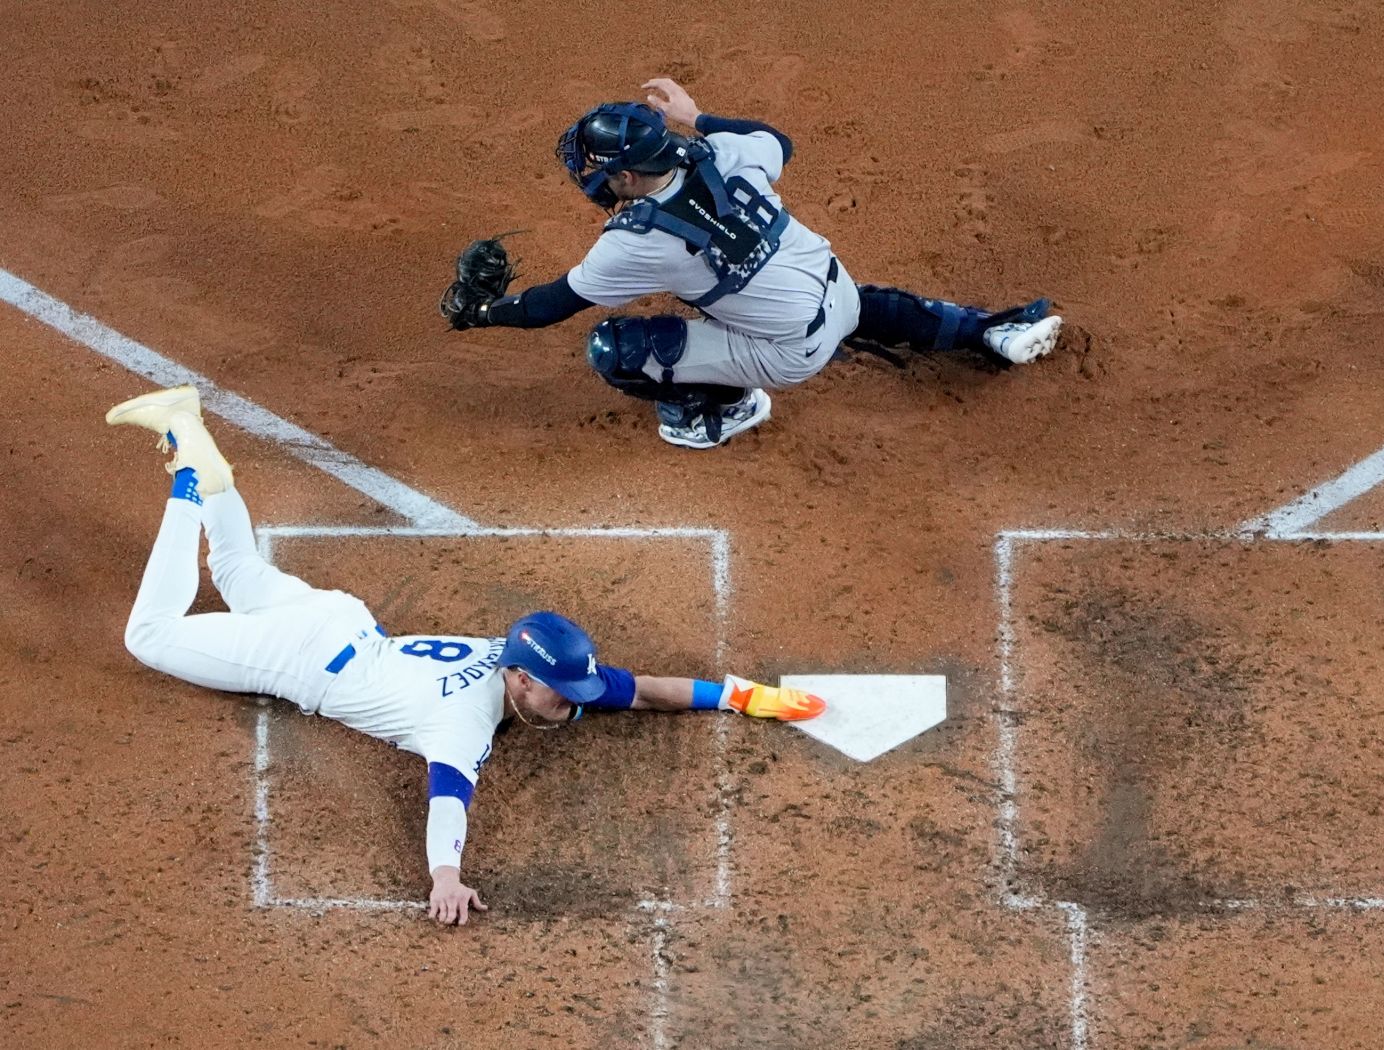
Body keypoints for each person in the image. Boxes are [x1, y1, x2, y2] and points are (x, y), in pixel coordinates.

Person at [105, 384, 827, 925]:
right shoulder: (465, 722)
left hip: (335, 623)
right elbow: (448, 801)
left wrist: (745, 696)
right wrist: (444, 878)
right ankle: (190, 473)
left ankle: (189, 422)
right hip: (299, 653)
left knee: (233, 571)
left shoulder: (532, 668)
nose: (570, 702)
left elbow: (640, 691)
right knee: (152, 635)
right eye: (557, 694)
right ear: (518, 678)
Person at [439, 77, 1065, 449]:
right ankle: (991, 331)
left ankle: (727, 409)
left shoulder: (633, 244)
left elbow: (553, 304)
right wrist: (696, 117)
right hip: (834, 287)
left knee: (615, 349)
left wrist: (483, 312)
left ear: (627, 174)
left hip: (790, 353)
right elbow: (777, 140)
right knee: (859, 305)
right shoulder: (721, 153)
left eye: (601, 168)